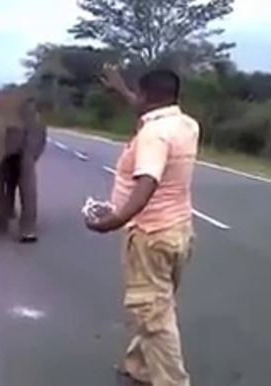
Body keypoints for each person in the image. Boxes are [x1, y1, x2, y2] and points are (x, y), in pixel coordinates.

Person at [84, 64, 200, 386]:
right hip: (179, 230)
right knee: (157, 305)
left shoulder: (153, 135)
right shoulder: (185, 125)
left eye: (139, 93)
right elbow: (147, 109)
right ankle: (139, 367)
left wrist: (114, 220)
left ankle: (172, 381)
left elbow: (147, 181)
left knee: (154, 314)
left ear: (148, 95)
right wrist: (122, 91)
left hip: (150, 233)